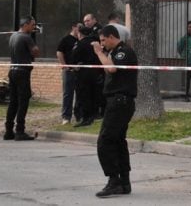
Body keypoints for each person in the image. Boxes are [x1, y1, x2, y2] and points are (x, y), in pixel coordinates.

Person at [91, 25, 138, 197]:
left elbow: (111, 69)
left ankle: (114, 180)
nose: (102, 44)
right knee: (118, 141)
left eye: (103, 40)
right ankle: (124, 182)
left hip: (120, 102)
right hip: (119, 101)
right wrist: (104, 55)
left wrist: (98, 52)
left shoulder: (122, 51)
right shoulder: (115, 53)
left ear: (112, 37)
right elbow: (108, 68)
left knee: (104, 141)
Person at [4, 16, 40, 141]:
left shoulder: (13, 36)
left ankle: (8, 130)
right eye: (32, 25)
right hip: (22, 72)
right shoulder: (26, 37)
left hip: (13, 70)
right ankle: (20, 131)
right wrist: (33, 49)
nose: (34, 27)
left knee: (13, 101)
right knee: (23, 101)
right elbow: (35, 51)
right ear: (25, 25)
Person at [56, 22, 82, 125]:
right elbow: (59, 52)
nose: (80, 30)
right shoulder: (66, 39)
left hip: (79, 71)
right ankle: (66, 117)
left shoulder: (81, 40)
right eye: (79, 28)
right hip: (69, 71)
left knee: (80, 93)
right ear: (73, 27)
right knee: (68, 94)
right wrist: (64, 65)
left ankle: (79, 115)